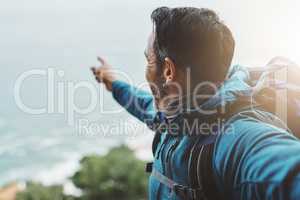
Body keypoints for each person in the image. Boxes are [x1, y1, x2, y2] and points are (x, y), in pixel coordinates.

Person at [91, 7, 300, 200]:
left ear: (168, 71)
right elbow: (145, 106)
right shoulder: (175, 115)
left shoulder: (239, 139)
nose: (147, 69)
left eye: (149, 61)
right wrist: (113, 82)